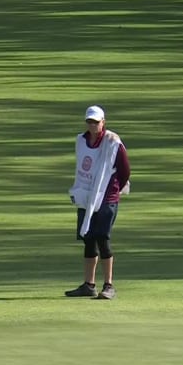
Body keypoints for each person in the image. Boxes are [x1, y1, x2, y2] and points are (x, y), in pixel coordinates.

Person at [65, 105, 131, 300]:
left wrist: (113, 189)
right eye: (90, 122)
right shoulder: (81, 140)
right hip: (86, 197)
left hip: (106, 198)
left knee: (103, 239)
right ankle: (89, 284)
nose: (92, 125)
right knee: (88, 240)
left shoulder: (112, 142)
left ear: (103, 122)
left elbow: (124, 169)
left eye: (96, 122)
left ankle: (109, 285)